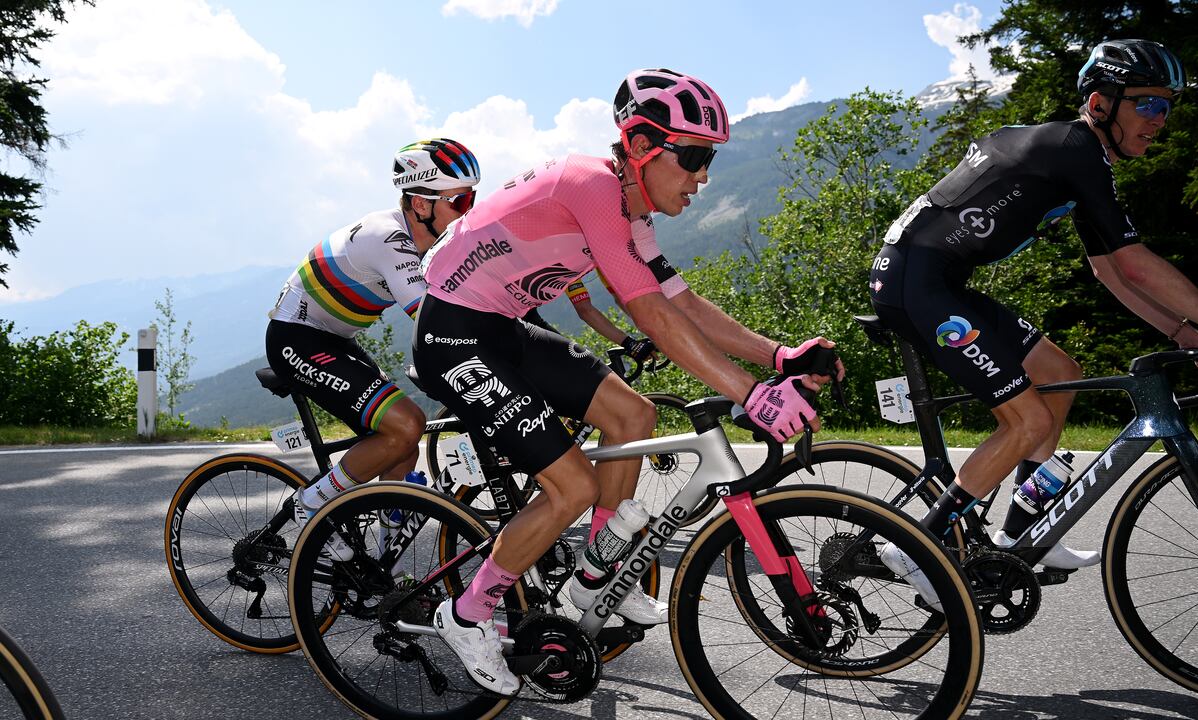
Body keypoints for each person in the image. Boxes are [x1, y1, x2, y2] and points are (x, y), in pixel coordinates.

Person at [414, 68, 841, 695]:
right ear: (640, 147)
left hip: (504, 328)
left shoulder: (629, 209)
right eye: (693, 157)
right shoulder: (591, 186)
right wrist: (749, 394)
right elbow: (649, 312)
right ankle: (467, 612)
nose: (702, 177)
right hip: (454, 337)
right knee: (572, 486)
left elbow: (683, 303)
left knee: (634, 416)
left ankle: (593, 578)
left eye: (709, 161)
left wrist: (777, 358)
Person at [868, 39, 1198, 610]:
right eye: (1150, 105)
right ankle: (917, 547)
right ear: (1101, 101)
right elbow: (1137, 264)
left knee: (1059, 371)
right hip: (916, 284)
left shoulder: (1078, 159)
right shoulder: (1073, 149)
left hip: (940, 281)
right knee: (1026, 419)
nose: (1161, 121)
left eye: (1168, 108)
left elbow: (1112, 271)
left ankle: (1020, 531)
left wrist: (1187, 335)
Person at [266, 138, 482, 559]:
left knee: (402, 442)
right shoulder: (389, 238)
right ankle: (310, 505)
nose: (468, 210)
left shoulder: (436, 240)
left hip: (336, 339)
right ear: (420, 205)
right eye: (460, 201)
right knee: (405, 425)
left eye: (473, 197)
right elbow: (430, 316)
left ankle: (385, 563)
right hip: (296, 336)